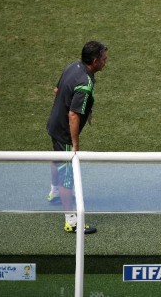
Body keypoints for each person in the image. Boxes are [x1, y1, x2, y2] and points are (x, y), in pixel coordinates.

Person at [46, 41, 108, 234]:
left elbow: (57, 90)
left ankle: (54, 192)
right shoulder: (85, 83)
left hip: (53, 124)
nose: (106, 62)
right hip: (64, 133)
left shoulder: (73, 66)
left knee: (57, 159)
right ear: (95, 61)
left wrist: (87, 109)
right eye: (104, 59)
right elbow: (73, 114)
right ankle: (71, 221)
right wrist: (75, 144)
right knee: (69, 176)